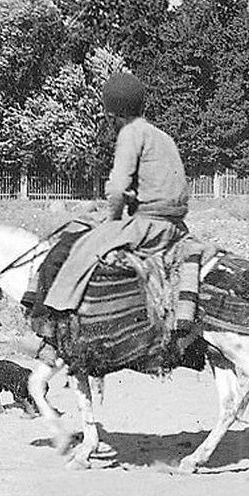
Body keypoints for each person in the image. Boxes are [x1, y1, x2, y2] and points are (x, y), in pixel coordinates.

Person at [41, 72, 192, 316]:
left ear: (112, 116)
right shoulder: (163, 136)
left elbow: (117, 188)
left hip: (148, 227)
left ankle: (57, 314)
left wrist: (112, 220)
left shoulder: (130, 133)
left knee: (81, 249)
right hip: (176, 227)